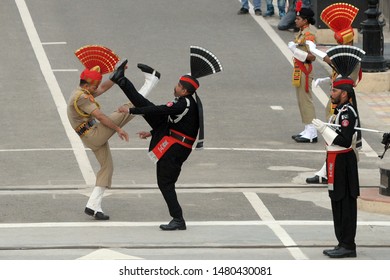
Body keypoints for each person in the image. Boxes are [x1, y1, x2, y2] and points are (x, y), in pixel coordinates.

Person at [67, 58, 160, 220]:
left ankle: (93, 205)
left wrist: (116, 77)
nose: (96, 89)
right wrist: (118, 129)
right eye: (93, 87)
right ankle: (151, 82)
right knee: (127, 110)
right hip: (93, 134)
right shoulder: (82, 97)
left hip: (89, 135)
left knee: (107, 168)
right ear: (87, 85)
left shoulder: (82, 91)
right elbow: (101, 117)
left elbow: (102, 87)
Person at [305, 3, 362, 184]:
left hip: (344, 102)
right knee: (332, 138)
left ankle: (335, 172)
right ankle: (326, 171)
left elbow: (339, 72)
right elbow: (336, 74)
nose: (338, 45)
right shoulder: (345, 59)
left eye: (340, 42)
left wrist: (314, 50)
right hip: (336, 101)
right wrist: (327, 81)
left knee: (344, 140)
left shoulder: (352, 61)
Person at [312, 75, 360, 258]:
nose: (331, 93)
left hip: (344, 164)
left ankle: (348, 244)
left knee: (345, 204)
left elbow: (345, 140)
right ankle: (341, 242)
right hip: (335, 162)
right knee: (337, 202)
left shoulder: (348, 112)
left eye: (334, 90)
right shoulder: (339, 111)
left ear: (345, 93)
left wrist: (325, 130)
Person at [287, 3, 317, 143]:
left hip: (305, 69)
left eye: (298, 18)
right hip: (299, 70)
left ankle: (312, 131)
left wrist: (294, 50)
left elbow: (312, 56)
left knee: (306, 101)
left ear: (305, 21)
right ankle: (307, 128)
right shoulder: (301, 33)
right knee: (301, 101)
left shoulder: (309, 35)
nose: (295, 20)